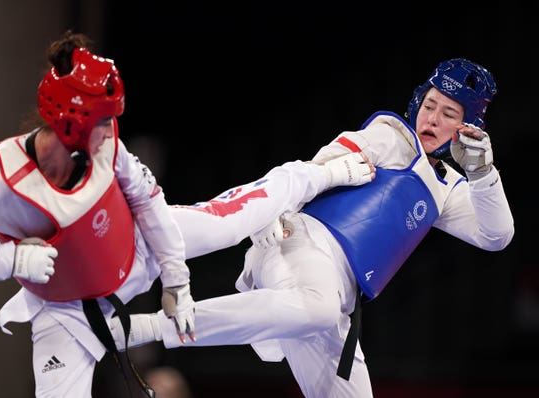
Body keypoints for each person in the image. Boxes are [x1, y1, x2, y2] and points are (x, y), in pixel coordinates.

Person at [110, 58, 515, 398]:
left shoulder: (447, 188)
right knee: (317, 307)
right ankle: (144, 327)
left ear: (468, 128)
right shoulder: (390, 136)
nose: (432, 118)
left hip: (336, 298)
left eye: (449, 114)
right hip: (298, 244)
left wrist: (482, 173)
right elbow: (319, 167)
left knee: (323, 319)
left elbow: (496, 236)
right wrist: (274, 212)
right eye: (430, 105)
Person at [0, 30, 202, 398]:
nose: (111, 132)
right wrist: (10, 259)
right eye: (103, 122)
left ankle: (296, 178)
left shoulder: (108, 146)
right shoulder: (1, 183)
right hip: (63, 310)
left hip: (139, 248)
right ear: (72, 122)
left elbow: (147, 199)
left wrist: (176, 277)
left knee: (238, 219)